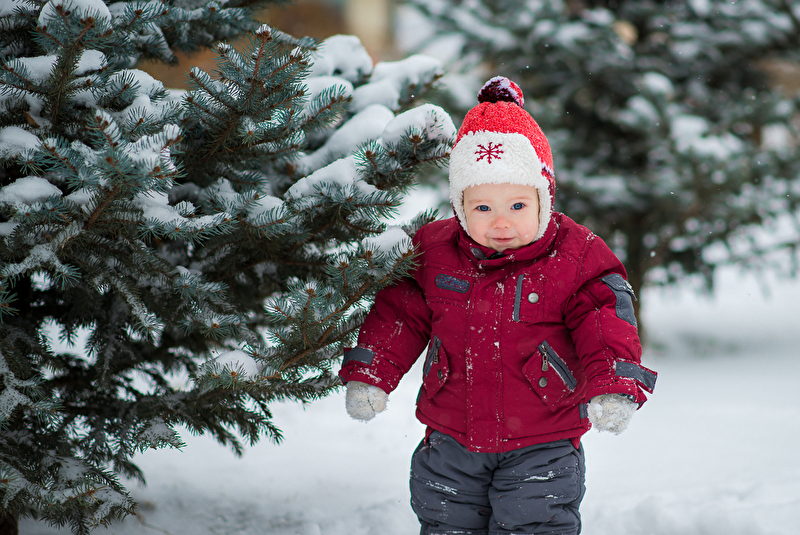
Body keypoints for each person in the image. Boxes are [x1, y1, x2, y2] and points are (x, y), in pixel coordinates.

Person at [338, 76, 657, 535]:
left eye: (517, 205)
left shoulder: (576, 256)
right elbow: (400, 313)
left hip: (543, 438)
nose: (501, 222)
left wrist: (612, 384)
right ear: (459, 204)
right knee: (446, 521)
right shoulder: (435, 249)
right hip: (450, 435)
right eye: (482, 208)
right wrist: (373, 373)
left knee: (537, 525)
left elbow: (603, 319)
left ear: (544, 199)